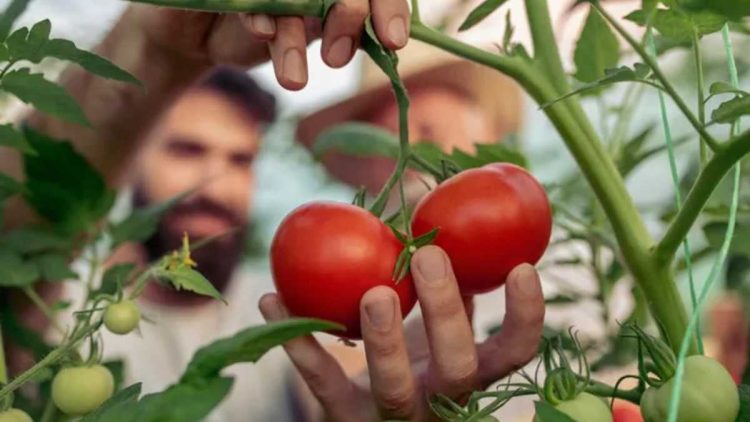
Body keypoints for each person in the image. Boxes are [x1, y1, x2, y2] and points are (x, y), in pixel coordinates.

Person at [1, 3, 546, 421]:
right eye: (186, 149)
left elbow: (336, 378)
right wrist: (156, 52)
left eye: (240, 158)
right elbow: (26, 225)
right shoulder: (57, 308)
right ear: (134, 159)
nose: (215, 179)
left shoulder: (272, 311)